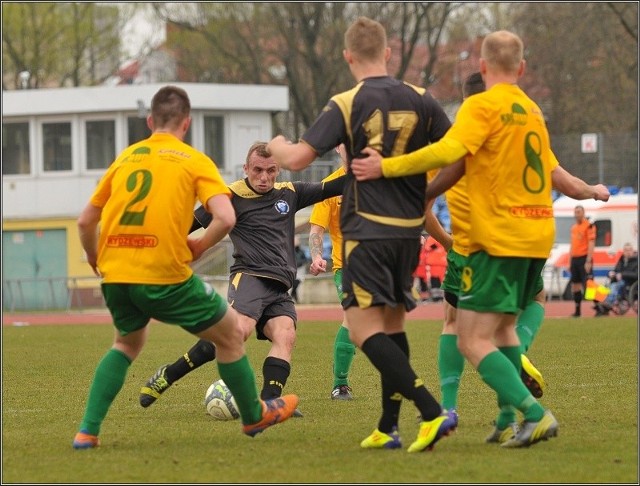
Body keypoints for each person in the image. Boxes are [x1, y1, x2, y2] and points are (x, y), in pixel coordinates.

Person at [350, 30, 610, 448]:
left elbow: (443, 153)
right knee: (505, 331)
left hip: (498, 239)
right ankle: (511, 414)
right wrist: (591, 190)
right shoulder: (532, 110)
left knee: (470, 338)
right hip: (538, 236)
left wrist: (388, 168)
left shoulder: (482, 106)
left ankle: (534, 414)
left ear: (484, 67)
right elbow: (546, 173)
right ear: (521, 68)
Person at [267, 16, 458, 453]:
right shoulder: (422, 99)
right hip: (407, 234)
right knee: (392, 324)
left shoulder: (347, 102)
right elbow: (459, 155)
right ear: (388, 53)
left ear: (348, 56)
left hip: (365, 232)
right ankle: (389, 425)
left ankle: (430, 411)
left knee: (360, 329)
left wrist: (277, 144)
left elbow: (296, 158)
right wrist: (424, 195)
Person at [72, 87, 298, 449]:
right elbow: (224, 217)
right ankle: (254, 418)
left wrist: (95, 258)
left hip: (115, 272)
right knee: (229, 336)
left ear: (150, 122)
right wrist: (198, 246)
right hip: (162, 270)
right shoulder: (193, 160)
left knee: (126, 342)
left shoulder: (126, 158)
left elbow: (85, 222)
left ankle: (87, 431)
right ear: (186, 123)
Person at [139, 141, 345, 415]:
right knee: (238, 333)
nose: (264, 177)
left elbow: (333, 187)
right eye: (258, 170)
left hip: (280, 286)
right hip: (250, 277)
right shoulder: (229, 197)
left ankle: (269, 404)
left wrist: (374, 163)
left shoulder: (290, 194)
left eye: (271, 171)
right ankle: (170, 373)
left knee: (285, 335)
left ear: (278, 170)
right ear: (246, 168)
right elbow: (187, 224)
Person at [308, 144, 356, 400]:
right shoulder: (330, 186)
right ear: (339, 148)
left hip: (380, 265)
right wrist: (317, 256)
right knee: (355, 316)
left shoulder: (378, 178)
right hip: (346, 266)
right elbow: (316, 231)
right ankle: (340, 384)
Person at [594, 242, 638, 316]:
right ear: (623, 251)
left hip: (629, 283)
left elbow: (636, 275)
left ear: (633, 251)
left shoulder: (636, 261)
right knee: (600, 287)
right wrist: (611, 273)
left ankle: (608, 302)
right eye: (626, 250)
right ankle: (599, 302)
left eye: (629, 250)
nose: (628, 252)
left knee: (615, 285)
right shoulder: (621, 260)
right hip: (618, 281)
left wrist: (622, 275)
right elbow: (616, 270)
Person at [569, 205, 596, 317]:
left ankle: (600, 306)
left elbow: (591, 243)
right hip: (575, 259)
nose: (577, 214)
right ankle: (577, 311)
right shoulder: (574, 228)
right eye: (575, 212)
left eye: (579, 212)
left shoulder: (589, 226)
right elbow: (572, 245)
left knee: (589, 284)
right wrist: (570, 261)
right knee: (575, 285)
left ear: (583, 213)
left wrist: (588, 260)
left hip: (584, 258)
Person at [291, 235, 308, 303]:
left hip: (300, 270)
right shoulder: (290, 251)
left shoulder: (301, 251)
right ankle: (294, 296)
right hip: (293, 269)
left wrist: (299, 263)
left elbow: (305, 259)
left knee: (297, 283)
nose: (296, 242)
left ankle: (293, 294)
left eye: (297, 240)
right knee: (294, 283)